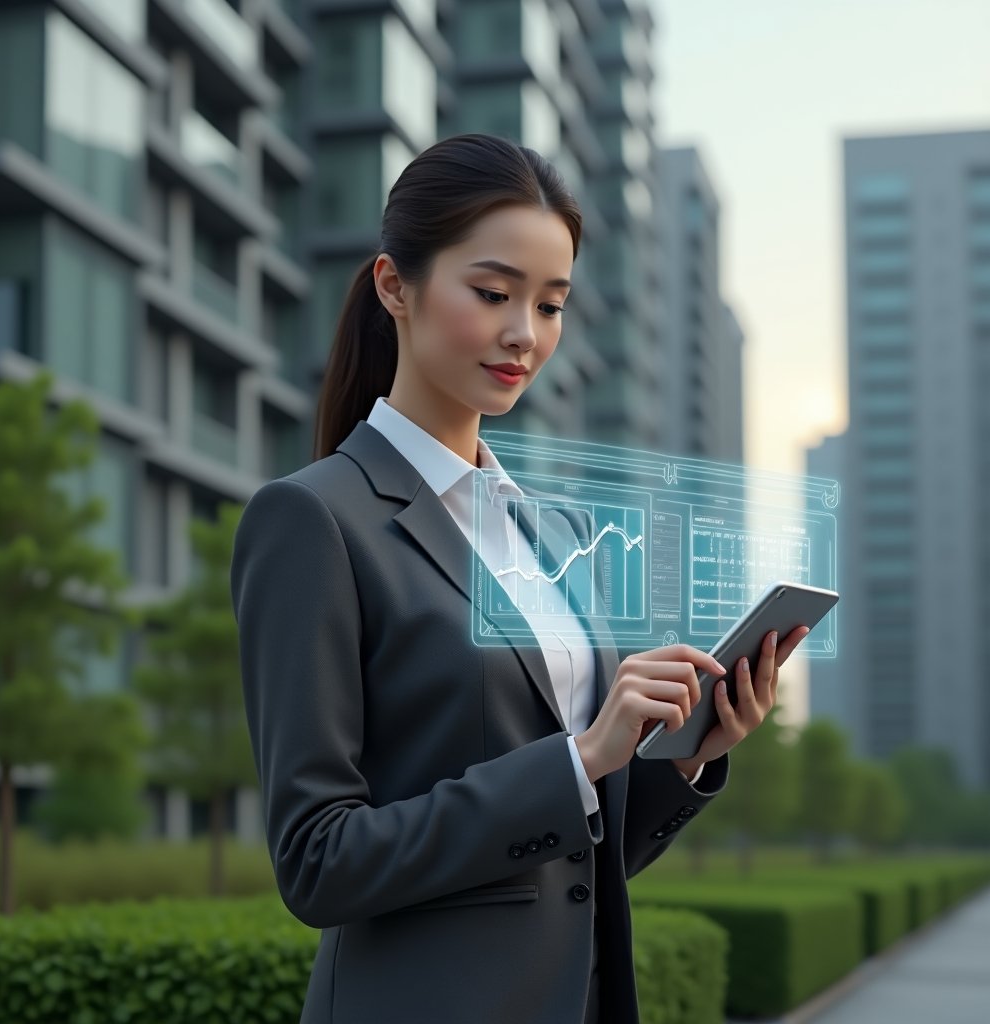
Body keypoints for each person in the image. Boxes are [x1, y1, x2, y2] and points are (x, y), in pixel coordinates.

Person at [230, 133, 809, 1024]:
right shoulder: (313, 520)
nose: (523, 335)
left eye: (550, 304)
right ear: (395, 286)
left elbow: (574, 854)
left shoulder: (560, 532)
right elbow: (318, 860)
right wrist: (580, 759)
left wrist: (687, 755)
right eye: (493, 294)